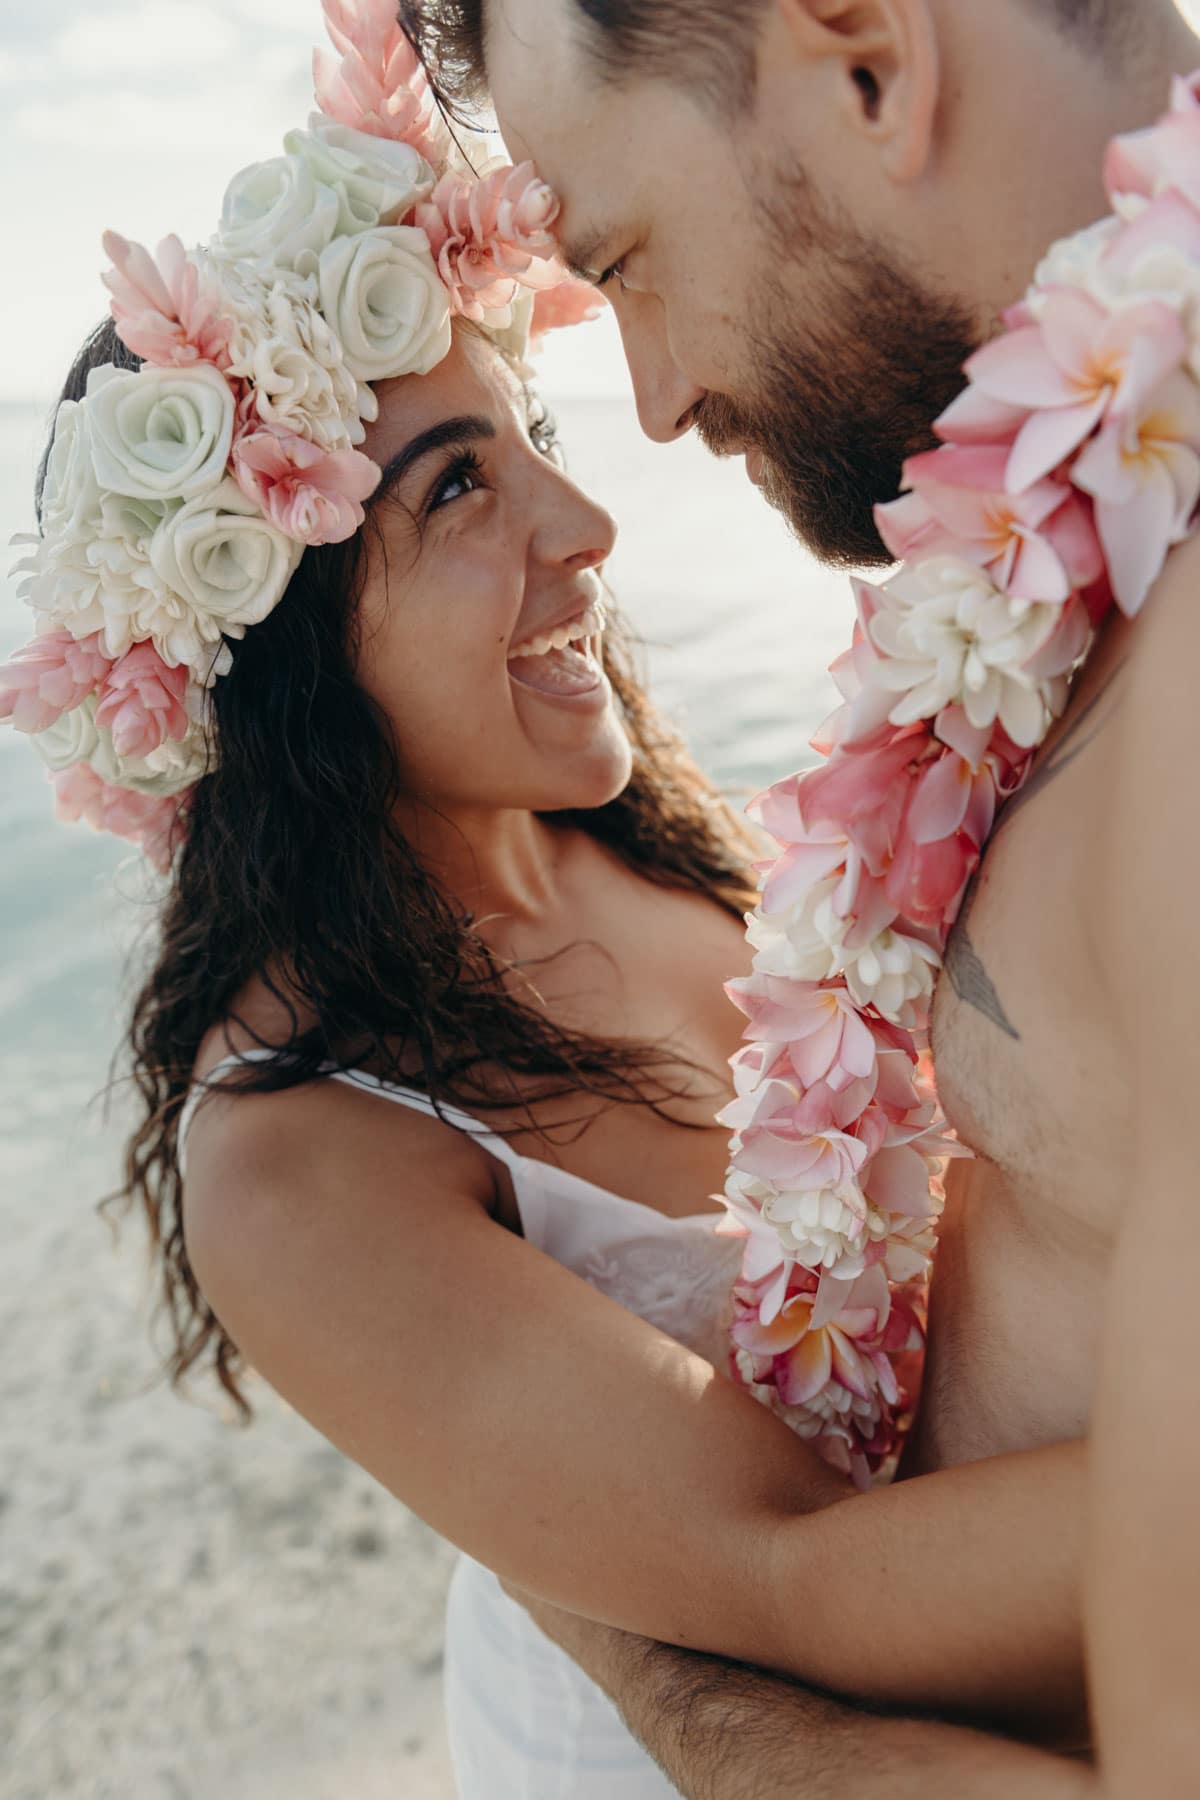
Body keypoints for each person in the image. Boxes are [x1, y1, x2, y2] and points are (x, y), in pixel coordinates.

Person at [0, 6, 1096, 1795]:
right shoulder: (301, 1158)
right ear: (282, 657)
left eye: (525, 439)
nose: (587, 522)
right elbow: (789, 1570)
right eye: (458, 489)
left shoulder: (673, 849)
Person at [391, 0, 1200, 1793]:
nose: (657, 397)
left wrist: (685, 1688)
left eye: (630, 260)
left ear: (867, 54)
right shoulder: (1081, 568)